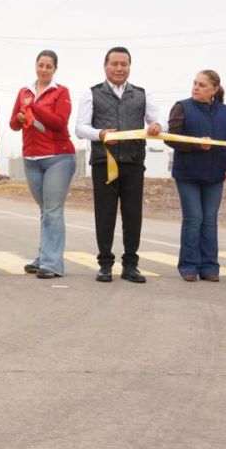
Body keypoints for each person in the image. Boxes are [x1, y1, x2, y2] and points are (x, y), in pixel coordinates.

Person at [74, 47, 165, 283]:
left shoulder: (141, 94)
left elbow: (158, 120)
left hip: (134, 162)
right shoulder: (92, 93)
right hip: (105, 162)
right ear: (105, 66)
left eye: (124, 64)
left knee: (133, 215)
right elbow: (80, 128)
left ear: (129, 67)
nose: (119, 68)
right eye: (114, 63)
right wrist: (101, 133)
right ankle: (105, 264)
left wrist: (157, 126)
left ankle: (131, 264)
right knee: (105, 215)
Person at [10, 50, 75, 280]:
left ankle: (52, 263)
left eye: (49, 66)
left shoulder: (61, 92)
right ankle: (43, 256)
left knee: (52, 210)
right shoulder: (24, 91)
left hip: (59, 157)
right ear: (35, 66)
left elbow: (59, 122)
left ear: (55, 69)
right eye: (41, 65)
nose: (44, 70)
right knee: (44, 211)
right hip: (32, 158)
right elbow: (13, 124)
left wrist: (34, 107)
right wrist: (20, 116)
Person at [165, 70, 226, 282]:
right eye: (195, 83)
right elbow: (171, 138)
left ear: (214, 89)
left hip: (215, 175)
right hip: (188, 174)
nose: (196, 87)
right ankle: (188, 266)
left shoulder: (225, 111)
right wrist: (196, 144)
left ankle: (210, 266)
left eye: (202, 85)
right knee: (194, 218)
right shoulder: (182, 107)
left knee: (210, 220)